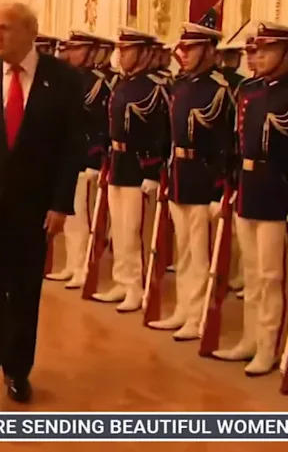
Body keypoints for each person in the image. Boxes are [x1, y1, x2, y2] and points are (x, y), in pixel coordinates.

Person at [0, 2, 84, 411]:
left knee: (24, 295)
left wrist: (60, 203)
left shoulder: (62, 80)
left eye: (4, 28)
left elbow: (70, 148)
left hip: (33, 209)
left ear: (29, 33)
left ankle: (18, 368)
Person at [210, 22, 288, 376]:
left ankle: (269, 346)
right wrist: (229, 186)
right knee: (253, 274)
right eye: (254, 50)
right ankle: (250, 338)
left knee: (273, 277)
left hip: (278, 192)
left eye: (266, 50)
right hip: (249, 187)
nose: (256, 56)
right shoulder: (248, 91)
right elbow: (235, 142)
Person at [147, 22, 234, 340]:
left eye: (191, 48)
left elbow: (226, 144)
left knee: (199, 255)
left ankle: (197, 317)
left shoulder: (219, 91)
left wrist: (219, 188)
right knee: (182, 251)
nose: (183, 54)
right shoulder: (181, 86)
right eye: (182, 48)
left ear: (210, 50)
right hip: (179, 174)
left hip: (202, 178)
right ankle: (183, 309)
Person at [93, 28, 172, 312]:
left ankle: (136, 287)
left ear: (143, 53)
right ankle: (122, 281)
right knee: (120, 231)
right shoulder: (122, 85)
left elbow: (162, 133)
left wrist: (152, 172)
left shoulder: (155, 88)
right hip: (119, 163)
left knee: (134, 230)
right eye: (120, 50)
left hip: (140, 167)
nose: (121, 55)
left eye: (127, 50)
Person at [45, 30, 108, 288]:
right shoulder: (67, 80)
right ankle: (71, 264)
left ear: (92, 52)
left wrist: (97, 155)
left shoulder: (99, 82)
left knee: (84, 218)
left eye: (78, 49)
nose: (72, 53)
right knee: (69, 217)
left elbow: (104, 124)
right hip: (68, 158)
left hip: (88, 158)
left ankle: (83, 267)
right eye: (70, 48)